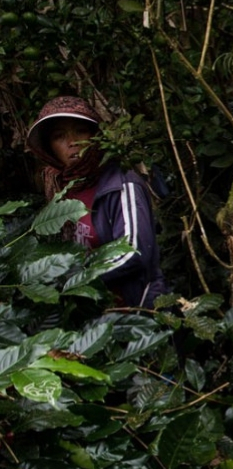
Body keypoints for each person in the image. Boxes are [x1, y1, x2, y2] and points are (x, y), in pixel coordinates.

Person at [25, 96, 168, 309]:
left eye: (80, 131)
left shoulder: (121, 184)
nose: (71, 141)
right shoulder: (60, 188)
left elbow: (134, 252)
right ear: (49, 147)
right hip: (87, 315)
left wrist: (75, 280)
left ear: (96, 135)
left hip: (134, 313)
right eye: (59, 136)